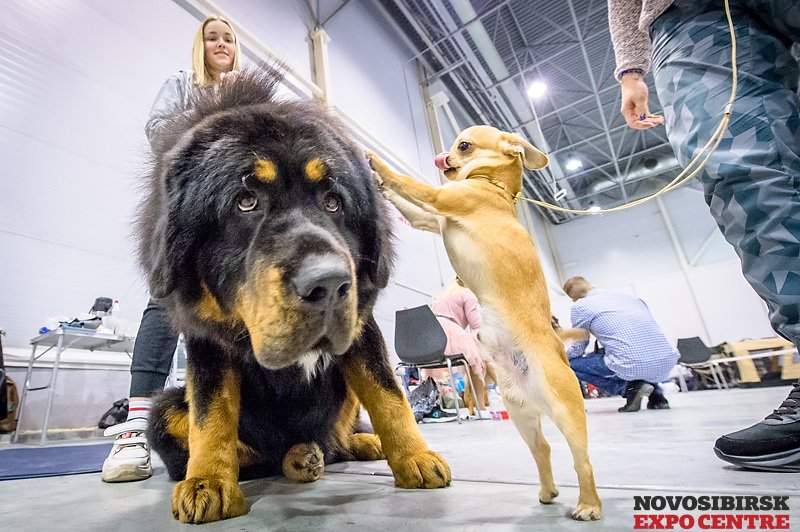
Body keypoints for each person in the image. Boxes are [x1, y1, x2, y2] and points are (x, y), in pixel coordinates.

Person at [608, 0, 800, 469]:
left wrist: (631, 71)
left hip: (695, 21)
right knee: (753, 166)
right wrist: (630, 67)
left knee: (745, 168)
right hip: (694, 16)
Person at [101, 14, 242, 483]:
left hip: (239, 223)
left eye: (228, 38)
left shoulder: (251, 88)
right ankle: (135, 430)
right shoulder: (182, 85)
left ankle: (241, 428)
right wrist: (217, 107)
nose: (221, 44)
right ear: (199, 47)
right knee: (166, 304)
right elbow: (158, 130)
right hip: (187, 211)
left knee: (233, 319)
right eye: (212, 37)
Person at [562, 276, 678, 412]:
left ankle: (629, 390)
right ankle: (657, 397)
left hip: (632, 363)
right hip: (667, 360)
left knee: (570, 365)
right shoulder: (630, 298)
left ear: (574, 298)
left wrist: (560, 358)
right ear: (591, 285)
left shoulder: (580, 306)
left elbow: (578, 347)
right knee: (636, 353)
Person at [428, 276, 492, 419]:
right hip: (451, 334)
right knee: (479, 357)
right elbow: (476, 325)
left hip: (431, 339)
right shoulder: (467, 294)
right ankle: (481, 406)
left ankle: (475, 407)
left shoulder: (442, 297)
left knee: (475, 357)